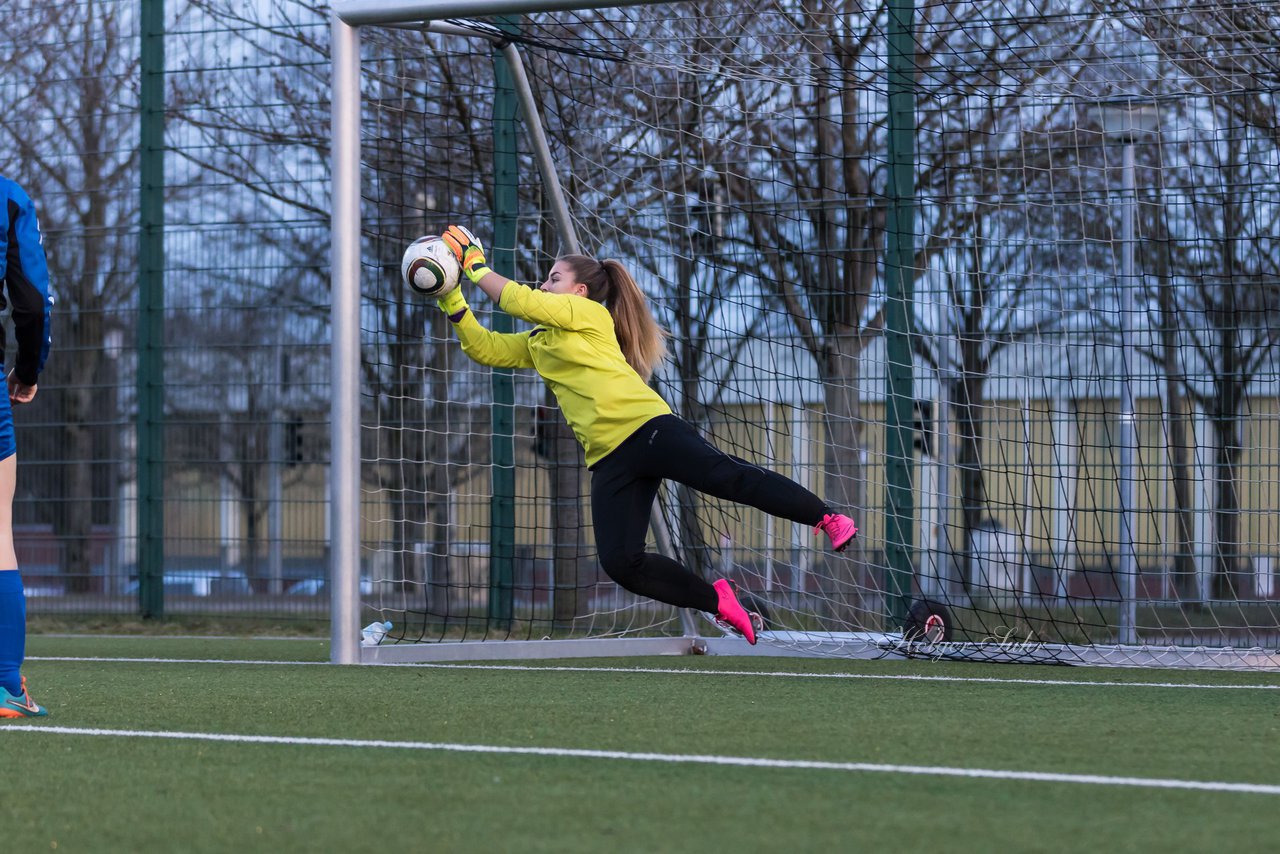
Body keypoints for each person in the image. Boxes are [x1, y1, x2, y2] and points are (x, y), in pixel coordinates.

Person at [433, 225, 857, 644]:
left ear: (580, 292)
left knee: (726, 477)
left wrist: (474, 265)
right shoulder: (542, 340)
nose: (543, 284)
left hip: (648, 429)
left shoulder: (589, 314)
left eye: (553, 278)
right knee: (622, 563)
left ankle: (826, 516)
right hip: (608, 459)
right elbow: (485, 347)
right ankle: (719, 601)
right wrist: (450, 296)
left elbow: (517, 300)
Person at [0, 175, 53, 718]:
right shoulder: (8, 197)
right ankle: (5, 687)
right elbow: (33, 305)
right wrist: (28, 371)